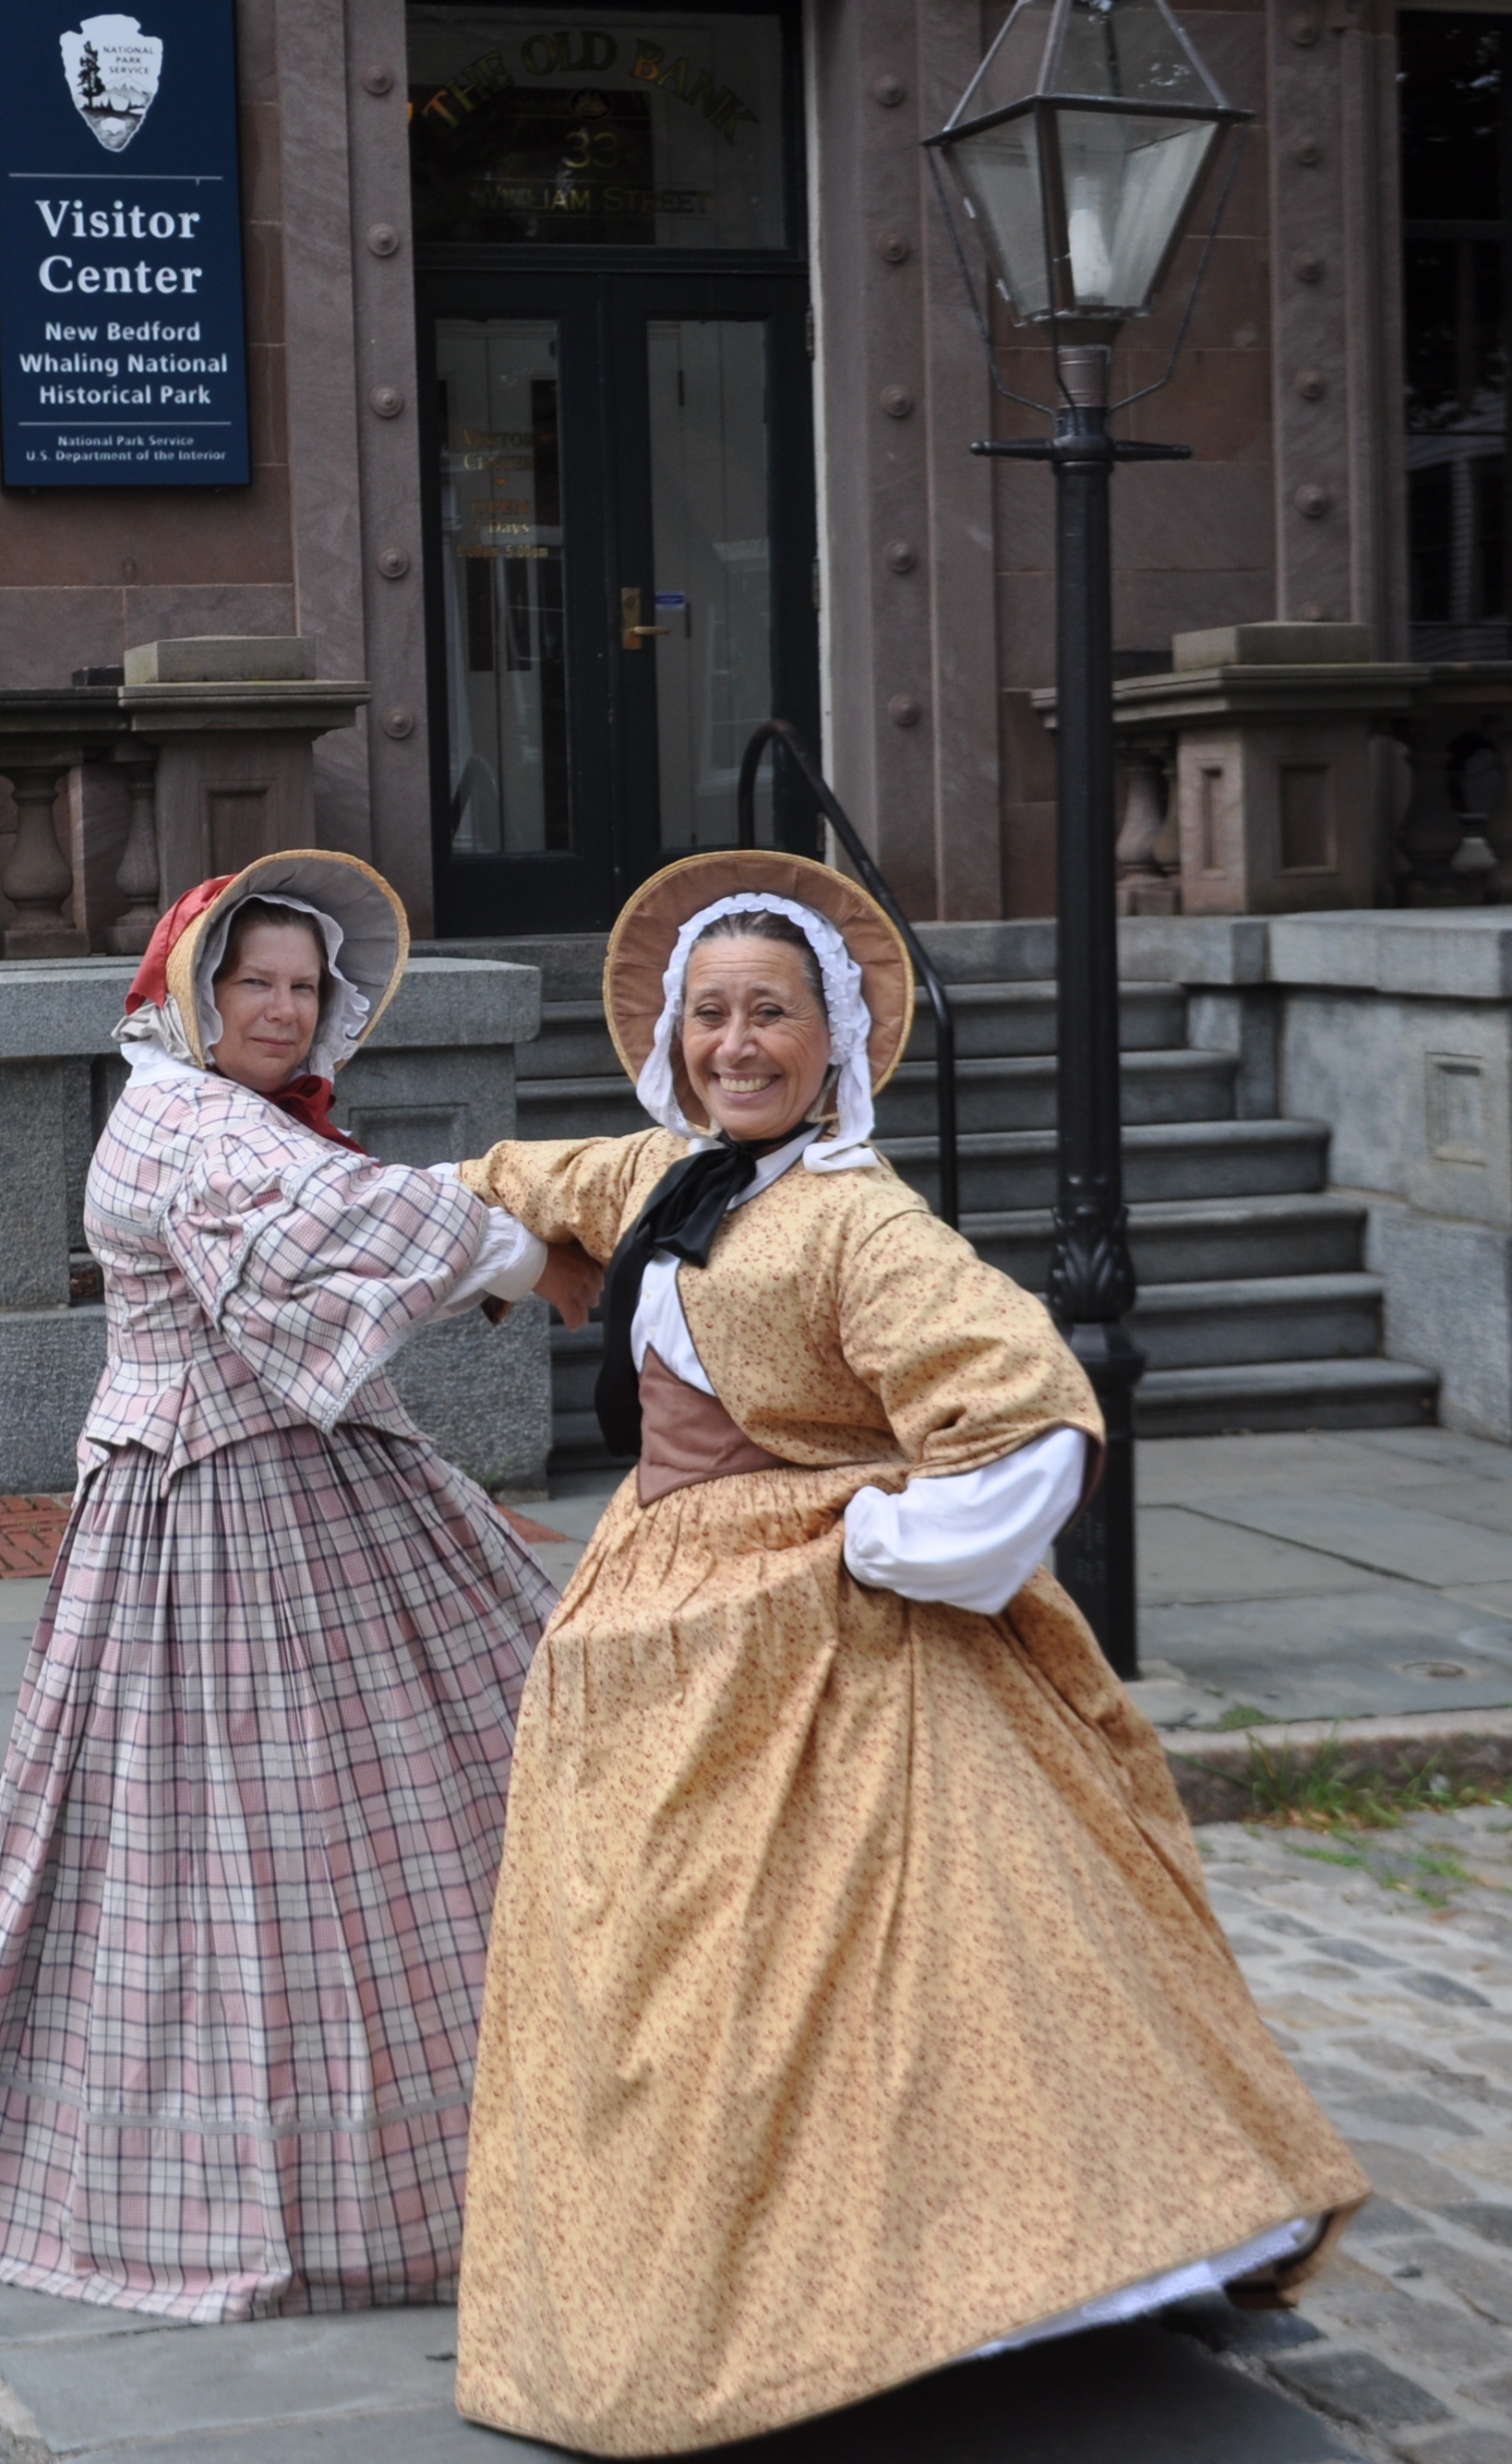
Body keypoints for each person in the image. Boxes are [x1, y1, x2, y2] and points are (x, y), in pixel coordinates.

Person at [448, 852, 1366, 2456]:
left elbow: (1026, 1415)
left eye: (774, 1017)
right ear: (671, 1037)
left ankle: (949, 2275)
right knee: (662, 1981)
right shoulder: (660, 1175)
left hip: (815, 1647)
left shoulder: (854, 1224)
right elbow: (511, 1183)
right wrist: (390, 1208)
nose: (740, 1045)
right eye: (713, 1016)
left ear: (839, 1038)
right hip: (645, 1633)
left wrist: (876, 1539)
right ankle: (683, 2268)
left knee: (866, 1980)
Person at [0, 851, 587, 2321]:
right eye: (251, 980)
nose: (279, 1008)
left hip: (290, 1480)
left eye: (304, 989)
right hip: (216, 1509)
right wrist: (536, 1229)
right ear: (191, 989)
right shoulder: (189, 1124)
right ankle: (298, 2188)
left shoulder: (231, 1119)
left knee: (414, 1786)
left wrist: (498, 1231)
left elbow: (347, 1214)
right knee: (250, 1850)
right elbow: (344, 1226)